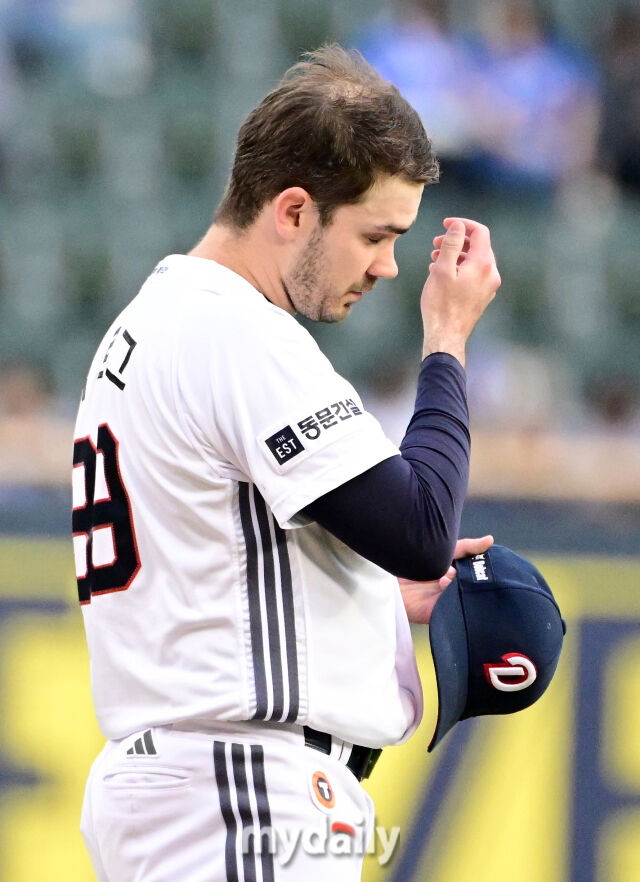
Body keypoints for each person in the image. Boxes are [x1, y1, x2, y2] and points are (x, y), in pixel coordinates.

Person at [72, 45, 500, 882]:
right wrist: (447, 338)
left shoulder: (156, 321)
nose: (387, 266)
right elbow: (420, 530)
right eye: (375, 234)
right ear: (295, 210)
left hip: (196, 784)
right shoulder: (232, 328)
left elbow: (217, 557)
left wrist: (366, 597)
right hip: (242, 787)